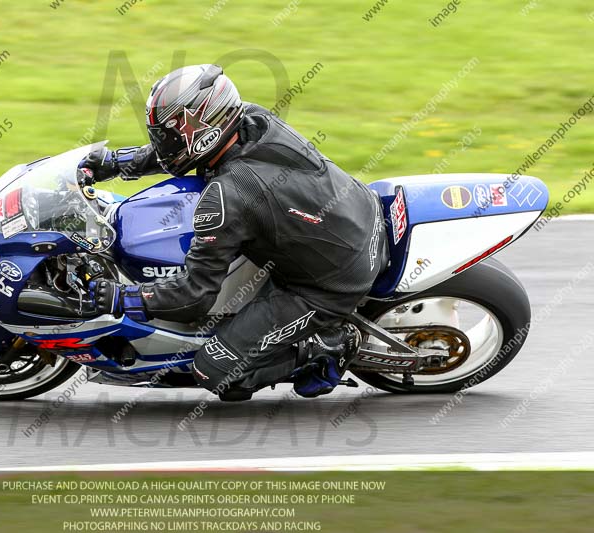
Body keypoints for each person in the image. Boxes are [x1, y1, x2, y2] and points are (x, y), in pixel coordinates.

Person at [80, 64, 388, 400]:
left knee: (214, 370)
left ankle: (332, 344)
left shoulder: (229, 196)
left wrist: (123, 298)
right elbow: (178, 154)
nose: (161, 143)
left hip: (328, 284)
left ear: (206, 129)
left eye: (166, 135)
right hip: (357, 211)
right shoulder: (252, 120)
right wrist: (115, 162)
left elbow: (194, 296)